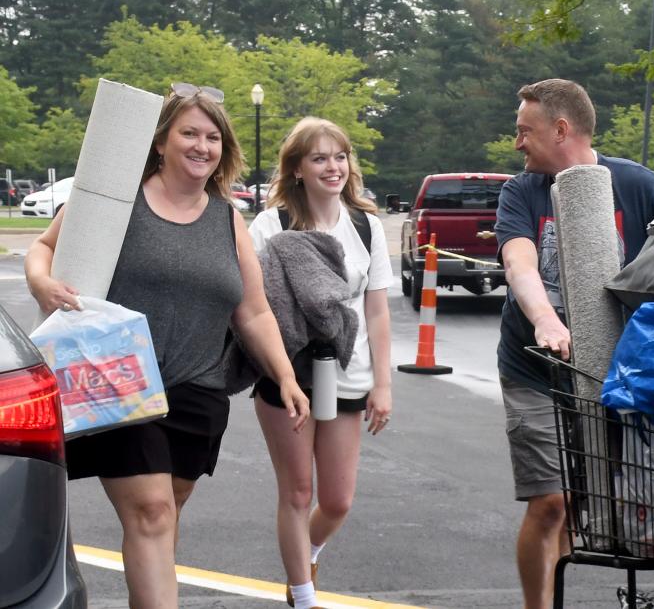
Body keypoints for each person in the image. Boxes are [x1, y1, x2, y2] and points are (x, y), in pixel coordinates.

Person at [24, 83, 310, 609]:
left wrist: (285, 376)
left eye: (213, 137)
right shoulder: (117, 201)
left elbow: (253, 311)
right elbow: (43, 248)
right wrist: (43, 283)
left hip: (199, 393)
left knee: (162, 519)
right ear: (161, 142)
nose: (203, 146)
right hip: (120, 387)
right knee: (153, 512)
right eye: (189, 134)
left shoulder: (227, 218)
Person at [494, 78, 654, 609]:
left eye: (525, 131)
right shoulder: (521, 191)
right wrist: (547, 320)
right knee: (551, 501)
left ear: (562, 129)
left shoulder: (639, 187)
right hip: (533, 366)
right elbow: (519, 262)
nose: (517, 142)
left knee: (580, 503)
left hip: (609, 372)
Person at [247, 117, 393, 609]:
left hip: (346, 373)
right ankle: (303, 597)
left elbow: (376, 310)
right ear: (296, 169)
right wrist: (279, 368)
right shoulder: (271, 225)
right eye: (318, 158)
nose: (332, 166)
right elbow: (253, 305)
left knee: (336, 500)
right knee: (297, 491)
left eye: (339, 156)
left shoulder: (365, 225)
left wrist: (384, 385)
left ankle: (306, 555)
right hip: (286, 372)